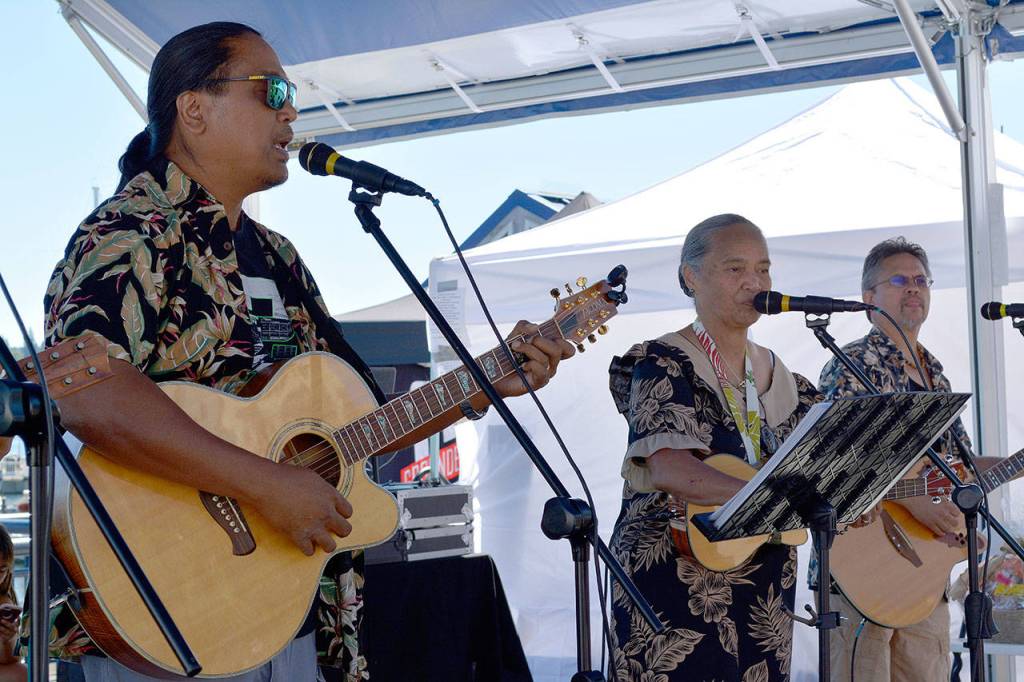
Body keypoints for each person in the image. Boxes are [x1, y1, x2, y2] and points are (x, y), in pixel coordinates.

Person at [42, 22, 573, 682]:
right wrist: (266, 484)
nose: (291, 112)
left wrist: (481, 386)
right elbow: (85, 391)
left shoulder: (278, 257)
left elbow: (350, 432)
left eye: (290, 96)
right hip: (162, 614)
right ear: (194, 108)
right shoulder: (131, 233)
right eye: (272, 91)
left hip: (291, 608)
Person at [607, 214, 821, 681]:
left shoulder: (787, 380)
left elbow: (820, 469)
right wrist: (774, 499)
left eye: (763, 269)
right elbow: (669, 469)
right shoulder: (663, 362)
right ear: (691, 276)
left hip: (764, 585)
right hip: (673, 580)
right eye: (735, 268)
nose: (754, 281)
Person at [816, 236, 987, 681]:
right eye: (898, 280)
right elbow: (832, 463)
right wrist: (913, 500)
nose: (913, 288)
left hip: (922, 571)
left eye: (921, 280)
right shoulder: (850, 364)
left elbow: (962, 466)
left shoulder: (936, 376)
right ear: (868, 297)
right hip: (860, 570)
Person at [0, 526, 25, 682]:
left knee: (22, 673)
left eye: (1, 570)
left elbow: (11, 661)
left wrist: (7, 640)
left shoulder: (3, 601)